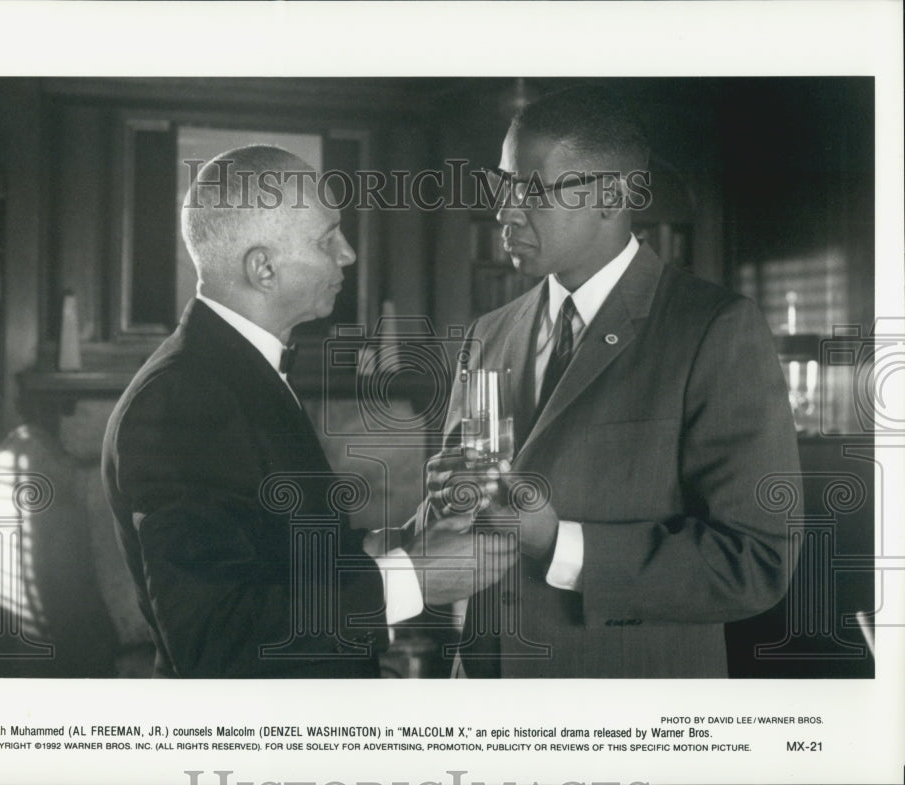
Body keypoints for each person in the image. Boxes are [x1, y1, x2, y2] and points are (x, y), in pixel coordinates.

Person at [423, 86, 802, 677]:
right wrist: (443, 504)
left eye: (531, 188)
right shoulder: (487, 334)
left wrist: (559, 542)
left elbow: (756, 564)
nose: (506, 210)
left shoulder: (714, 329)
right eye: (502, 185)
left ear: (611, 195)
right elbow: (455, 535)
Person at [102, 145, 513, 677]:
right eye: (327, 239)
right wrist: (414, 577)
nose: (347, 254)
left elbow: (285, 556)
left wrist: (417, 534)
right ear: (264, 268)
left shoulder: (235, 372)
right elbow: (214, 636)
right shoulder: (184, 398)